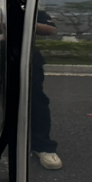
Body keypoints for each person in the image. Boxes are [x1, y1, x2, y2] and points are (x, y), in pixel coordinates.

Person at [31, 10, 62, 170]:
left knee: (36, 102)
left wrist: (24, 23)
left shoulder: (27, 5)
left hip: (25, 60)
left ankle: (42, 146)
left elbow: (51, 29)